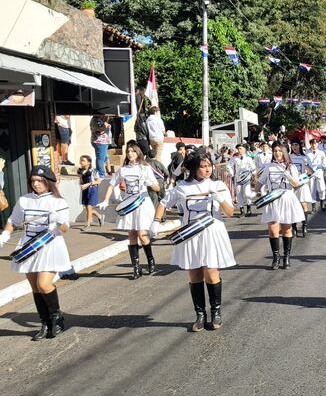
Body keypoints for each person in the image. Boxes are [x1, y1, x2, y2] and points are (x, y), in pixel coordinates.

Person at [151, 151, 235, 332]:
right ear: (195, 168)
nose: (207, 169)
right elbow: (164, 202)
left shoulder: (218, 185)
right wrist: (156, 222)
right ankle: (200, 315)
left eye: (209, 166)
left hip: (212, 232)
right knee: (195, 274)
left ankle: (216, 312)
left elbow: (230, 212)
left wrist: (219, 199)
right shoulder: (182, 187)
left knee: (211, 272)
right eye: (202, 166)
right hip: (190, 234)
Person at [0, 166, 70, 340]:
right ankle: (45, 322)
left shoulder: (59, 202)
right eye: (33, 181)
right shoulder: (24, 200)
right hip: (28, 247)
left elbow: (65, 228)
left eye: (40, 181)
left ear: (48, 182)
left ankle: (57, 318)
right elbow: (13, 220)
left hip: (50, 246)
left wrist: (59, 220)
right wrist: (5, 234)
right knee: (35, 287)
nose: (36, 184)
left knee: (44, 284)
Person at [97, 142, 161, 279]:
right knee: (131, 235)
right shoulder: (123, 169)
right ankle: (136, 268)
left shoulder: (145, 168)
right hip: (128, 205)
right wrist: (106, 200)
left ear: (138, 153)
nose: (130, 154)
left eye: (133, 151)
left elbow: (157, 188)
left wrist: (149, 183)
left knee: (143, 235)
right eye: (128, 151)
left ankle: (150, 261)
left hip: (142, 204)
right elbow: (111, 184)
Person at [256, 142, 304, 270]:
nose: (277, 153)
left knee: (287, 229)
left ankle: (286, 257)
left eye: (280, 151)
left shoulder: (291, 167)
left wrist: (286, 174)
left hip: (287, 199)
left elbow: (296, 184)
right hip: (273, 200)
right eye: (275, 151)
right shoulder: (269, 167)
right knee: (273, 230)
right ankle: (276, 257)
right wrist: (254, 183)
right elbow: (259, 184)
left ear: (285, 152)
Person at [290, 141, 313, 236]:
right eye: (293, 145)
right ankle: (294, 226)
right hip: (291, 185)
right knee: (293, 206)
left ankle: (304, 225)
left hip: (302, 185)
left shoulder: (305, 157)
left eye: (296, 144)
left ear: (300, 146)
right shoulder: (289, 157)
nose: (294, 147)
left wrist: (306, 165)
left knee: (304, 205)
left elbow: (311, 172)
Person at [228, 143, 257, 217]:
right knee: (239, 194)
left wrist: (254, 175)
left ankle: (249, 207)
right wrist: (232, 173)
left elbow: (253, 167)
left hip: (246, 178)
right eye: (238, 149)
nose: (239, 150)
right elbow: (229, 165)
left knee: (247, 193)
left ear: (244, 149)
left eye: (240, 148)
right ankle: (242, 210)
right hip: (237, 178)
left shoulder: (248, 158)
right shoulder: (235, 158)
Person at [78, 155, 104, 230]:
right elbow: (81, 180)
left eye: (83, 160)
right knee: (88, 209)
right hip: (85, 190)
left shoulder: (94, 171)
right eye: (81, 160)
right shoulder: (80, 170)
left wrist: (88, 184)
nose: (81, 162)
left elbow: (98, 181)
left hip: (92, 190)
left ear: (89, 162)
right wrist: (81, 185)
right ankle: (99, 216)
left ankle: (88, 225)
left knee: (89, 207)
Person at [307, 139, 326, 212]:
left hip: (319, 171)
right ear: (310, 144)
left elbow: (324, 161)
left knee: (321, 188)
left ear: (318, 144)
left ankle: (322, 203)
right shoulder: (307, 152)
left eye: (315, 144)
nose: (314, 145)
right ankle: (313, 205)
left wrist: (325, 166)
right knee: (311, 189)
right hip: (311, 172)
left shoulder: (321, 152)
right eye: (312, 143)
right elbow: (305, 163)